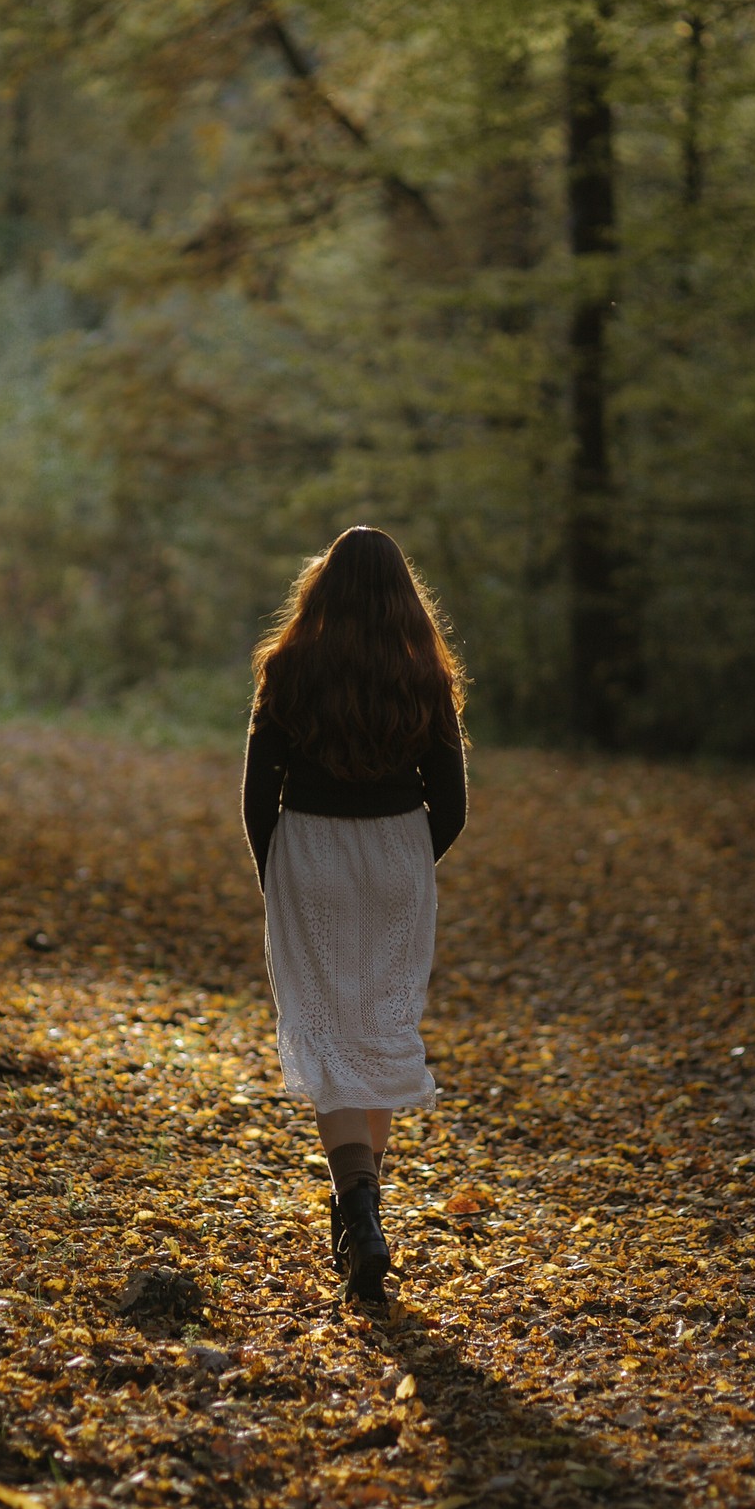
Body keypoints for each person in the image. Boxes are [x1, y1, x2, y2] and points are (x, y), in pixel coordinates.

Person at [241, 526, 468, 1303]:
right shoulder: (425, 675)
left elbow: (256, 795)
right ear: (405, 594)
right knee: (377, 1026)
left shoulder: (290, 667)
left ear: (322, 590)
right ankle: (363, 1211)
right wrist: (405, 863)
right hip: (399, 855)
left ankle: (358, 1211)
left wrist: (283, 872)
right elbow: (454, 803)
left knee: (332, 1030)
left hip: (310, 851)